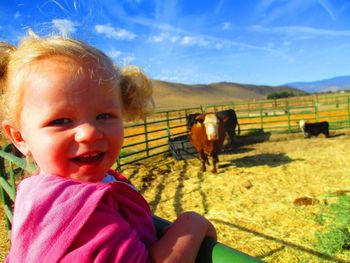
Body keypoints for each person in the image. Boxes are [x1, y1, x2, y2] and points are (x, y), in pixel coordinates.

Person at [0, 32, 216, 262]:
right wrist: (192, 223)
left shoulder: (43, 193)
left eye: (105, 115)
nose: (90, 132)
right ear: (19, 137)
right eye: (60, 121)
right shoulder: (81, 212)